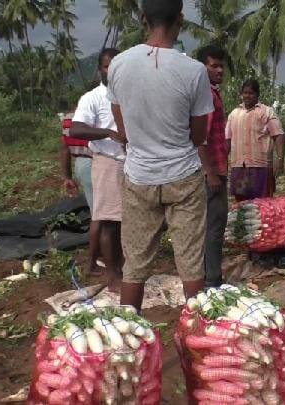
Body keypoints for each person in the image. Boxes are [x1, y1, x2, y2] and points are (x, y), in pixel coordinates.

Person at [106, 0, 216, 309]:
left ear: (143, 19)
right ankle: (200, 344)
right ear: (180, 19)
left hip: (139, 177)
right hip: (183, 176)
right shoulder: (194, 71)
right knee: (191, 264)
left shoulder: (118, 65)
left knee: (135, 266)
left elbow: (123, 130)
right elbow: (199, 136)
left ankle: (129, 345)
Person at [69, 48, 124, 292]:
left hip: (130, 163)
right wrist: (108, 133)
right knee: (109, 221)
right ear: (100, 69)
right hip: (108, 162)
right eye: (106, 66)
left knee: (124, 222)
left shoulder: (128, 95)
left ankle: (121, 269)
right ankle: (112, 276)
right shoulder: (92, 98)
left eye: (115, 66)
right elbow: (76, 129)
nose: (111, 71)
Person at [197, 45, 228, 288]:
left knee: (210, 225)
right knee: (214, 226)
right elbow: (201, 137)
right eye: (214, 65)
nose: (220, 70)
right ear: (202, 67)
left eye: (221, 65)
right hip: (212, 170)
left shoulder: (212, 93)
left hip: (216, 167)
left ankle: (207, 275)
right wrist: (211, 173)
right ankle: (212, 279)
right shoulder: (205, 95)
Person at [226, 79, 285, 202]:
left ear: (257, 94)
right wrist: (222, 161)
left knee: (263, 204)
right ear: (241, 94)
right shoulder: (234, 114)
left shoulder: (266, 111)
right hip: (239, 167)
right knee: (241, 204)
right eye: (245, 93)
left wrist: (280, 159)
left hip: (261, 167)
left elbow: (278, 135)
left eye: (251, 93)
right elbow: (227, 139)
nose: (247, 96)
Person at [59, 112, 103, 275]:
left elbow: (64, 149)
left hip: (80, 164)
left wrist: (67, 177)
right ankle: (93, 262)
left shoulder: (68, 119)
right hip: (95, 163)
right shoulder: (96, 115)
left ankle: (101, 255)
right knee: (101, 216)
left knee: (97, 212)